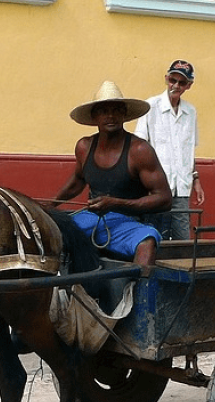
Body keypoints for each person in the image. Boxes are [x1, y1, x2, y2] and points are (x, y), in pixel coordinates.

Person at [54, 81, 172, 268]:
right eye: (103, 110)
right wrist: (51, 204)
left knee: (147, 241)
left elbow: (164, 199)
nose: (111, 115)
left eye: (117, 110)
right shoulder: (84, 147)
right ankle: (60, 292)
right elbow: (78, 180)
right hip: (89, 218)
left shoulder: (139, 150)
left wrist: (116, 203)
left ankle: (136, 295)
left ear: (124, 114)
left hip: (127, 222)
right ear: (94, 116)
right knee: (52, 233)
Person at [134, 59, 205, 240]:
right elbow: (139, 148)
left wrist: (196, 179)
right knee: (155, 237)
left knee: (183, 240)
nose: (176, 85)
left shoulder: (190, 112)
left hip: (181, 187)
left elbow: (188, 151)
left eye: (182, 82)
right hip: (155, 188)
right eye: (173, 80)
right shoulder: (151, 106)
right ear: (166, 78)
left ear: (189, 85)